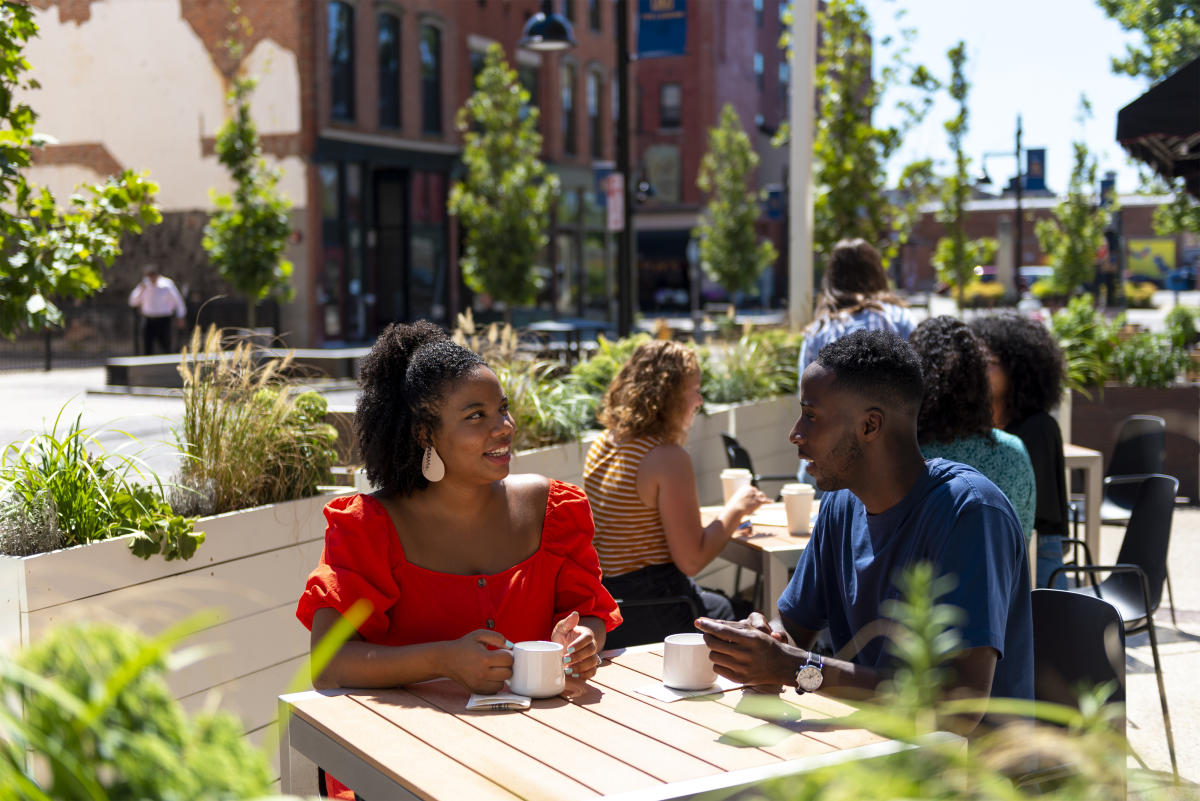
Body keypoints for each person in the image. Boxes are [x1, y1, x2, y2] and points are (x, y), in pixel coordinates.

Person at [297, 321, 621, 799]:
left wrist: (581, 642)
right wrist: (441, 660)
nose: (504, 427)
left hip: (539, 753)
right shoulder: (367, 526)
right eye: (476, 415)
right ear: (424, 433)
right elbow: (328, 663)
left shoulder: (552, 507)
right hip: (403, 762)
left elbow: (591, 611)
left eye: (503, 410)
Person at [697, 331, 1032, 732]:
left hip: (969, 775)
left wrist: (800, 668)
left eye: (812, 416)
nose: (795, 433)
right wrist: (766, 640)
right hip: (870, 749)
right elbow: (793, 630)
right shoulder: (842, 504)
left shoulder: (970, 513)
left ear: (870, 425)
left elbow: (958, 706)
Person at [583, 339, 769, 649]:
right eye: (694, 390)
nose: (699, 400)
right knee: (746, 616)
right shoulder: (666, 457)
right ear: (668, 397)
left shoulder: (605, 442)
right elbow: (692, 560)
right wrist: (737, 507)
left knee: (723, 603)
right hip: (658, 608)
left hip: (610, 606)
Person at [911, 316, 1036, 543]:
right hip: (997, 577)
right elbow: (1022, 543)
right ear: (979, 381)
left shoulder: (902, 455)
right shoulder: (1013, 452)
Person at [970, 313, 1070, 590]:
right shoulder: (973, 425)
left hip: (1038, 552)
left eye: (990, 364)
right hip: (997, 550)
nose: (979, 371)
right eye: (976, 362)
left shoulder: (1039, 428)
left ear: (1018, 370)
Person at [797, 238, 915, 374]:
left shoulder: (818, 331)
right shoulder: (899, 318)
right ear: (878, 273)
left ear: (831, 278)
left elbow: (805, 390)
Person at [127, 265, 186, 355]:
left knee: (166, 346)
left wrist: (180, 316)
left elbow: (178, 301)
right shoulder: (143, 286)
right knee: (147, 347)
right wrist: (141, 289)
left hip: (164, 319)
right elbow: (132, 302)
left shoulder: (166, 285)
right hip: (149, 319)